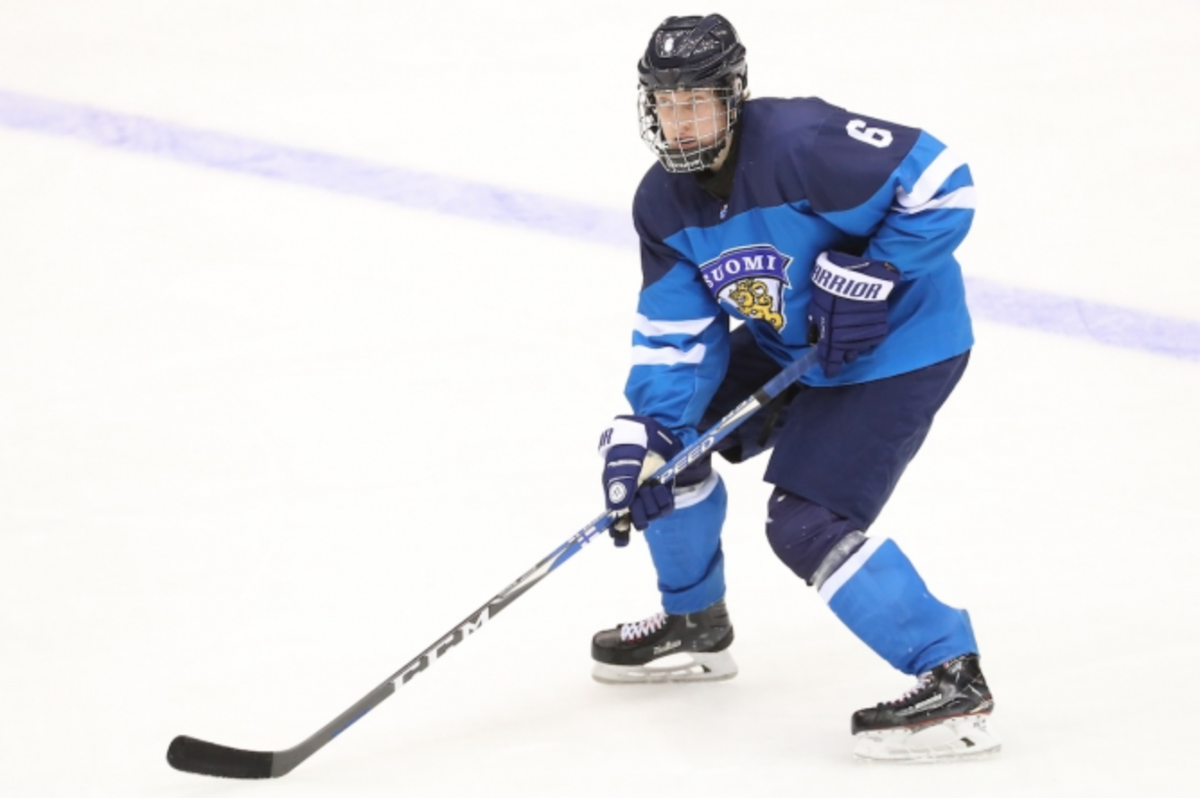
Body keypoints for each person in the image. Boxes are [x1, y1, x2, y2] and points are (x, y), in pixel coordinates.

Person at [591, 14, 999, 761]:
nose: (681, 122)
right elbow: (677, 337)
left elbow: (944, 183)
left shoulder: (803, 145)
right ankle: (695, 624)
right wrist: (652, 431)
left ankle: (951, 676)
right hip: (794, 343)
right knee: (663, 448)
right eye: (667, 105)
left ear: (733, 95)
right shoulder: (663, 205)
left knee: (804, 522)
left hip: (902, 346)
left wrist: (877, 272)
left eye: (697, 102)